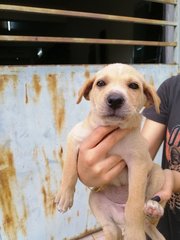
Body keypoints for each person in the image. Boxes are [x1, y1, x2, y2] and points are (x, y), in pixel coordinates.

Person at [77, 74, 180, 240]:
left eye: (132, 86)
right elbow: (141, 155)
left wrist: (173, 179)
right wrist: (92, 173)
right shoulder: (172, 88)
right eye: (102, 83)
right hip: (166, 224)